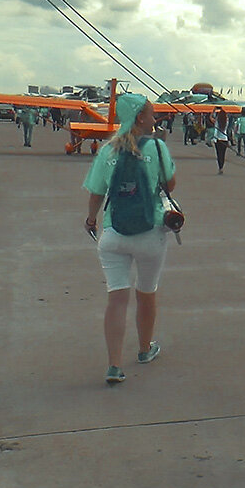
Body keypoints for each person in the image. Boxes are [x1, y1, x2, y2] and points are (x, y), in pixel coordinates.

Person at [82, 93, 176, 385]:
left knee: (117, 298)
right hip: (150, 232)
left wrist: (91, 219)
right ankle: (145, 350)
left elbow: (96, 190)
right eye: (151, 114)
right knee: (146, 293)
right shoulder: (157, 147)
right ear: (140, 118)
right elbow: (169, 183)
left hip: (113, 233)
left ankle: (113, 366)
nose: (154, 119)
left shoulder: (108, 150)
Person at [211, 109, 230, 173]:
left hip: (218, 140)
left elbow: (216, 130)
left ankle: (220, 167)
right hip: (225, 139)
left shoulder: (217, 121)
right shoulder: (226, 121)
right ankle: (222, 166)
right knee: (223, 154)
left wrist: (214, 139)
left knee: (219, 154)